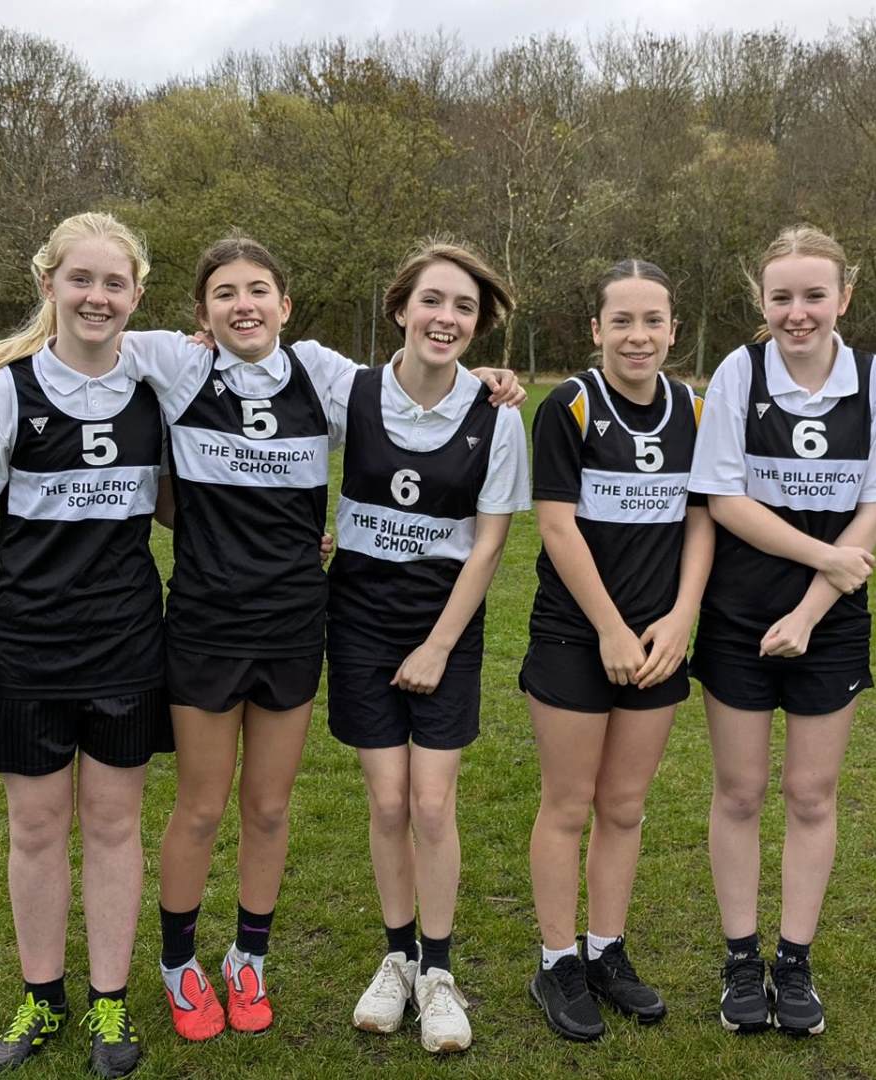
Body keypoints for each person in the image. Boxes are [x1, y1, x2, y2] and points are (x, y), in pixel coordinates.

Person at [0, 234, 521, 1043]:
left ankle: (249, 958)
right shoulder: (176, 364)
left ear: (286, 305)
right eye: (225, 293)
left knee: (268, 809)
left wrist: (489, 381)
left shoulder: (322, 375)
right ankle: (178, 963)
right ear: (199, 316)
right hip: (202, 627)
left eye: (259, 290)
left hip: (294, 627)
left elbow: (412, 383)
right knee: (201, 808)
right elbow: (69, 338)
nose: (245, 305)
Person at [0, 211, 169, 1078]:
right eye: (80, 279)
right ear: (48, 284)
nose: (96, 297)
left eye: (114, 283)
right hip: (29, 647)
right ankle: (42, 994)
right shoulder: (5, 393)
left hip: (127, 644)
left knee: (114, 825)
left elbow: (180, 501)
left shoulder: (156, 389)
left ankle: (110, 1002)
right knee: (36, 827)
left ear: (136, 295)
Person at [687, 225, 876, 1037]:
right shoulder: (738, 373)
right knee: (740, 792)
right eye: (781, 297)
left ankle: (794, 962)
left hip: (831, 621)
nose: (798, 312)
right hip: (740, 615)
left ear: (844, 297)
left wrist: (811, 611)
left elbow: (874, 508)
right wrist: (823, 559)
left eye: (815, 295)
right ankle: (740, 961)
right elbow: (725, 501)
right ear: (762, 300)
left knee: (812, 795)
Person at [334, 241, 528, 1054]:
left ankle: (439, 973)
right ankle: (398, 959)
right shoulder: (348, 388)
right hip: (359, 620)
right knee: (387, 803)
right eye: (433, 301)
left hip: (444, 625)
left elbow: (489, 545)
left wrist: (438, 646)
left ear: (478, 327)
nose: (446, 318)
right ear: (400, 308)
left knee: (431, 803)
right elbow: (252, 375)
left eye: (464, 309)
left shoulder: (498, 416)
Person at [520, 259, 711, 1041]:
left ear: (673, 329)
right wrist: (607, 627)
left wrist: (682, 617)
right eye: (622, 321)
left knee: (625, 805)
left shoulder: (695, 409)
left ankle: (606, 951)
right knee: (568, 804)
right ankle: (557, 961)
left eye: (652, 320)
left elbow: (702, 518)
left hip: (659, 640)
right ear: (597, 329)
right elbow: (556, 525)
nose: (638, 336)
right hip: (577, 634)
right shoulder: (568, 406)